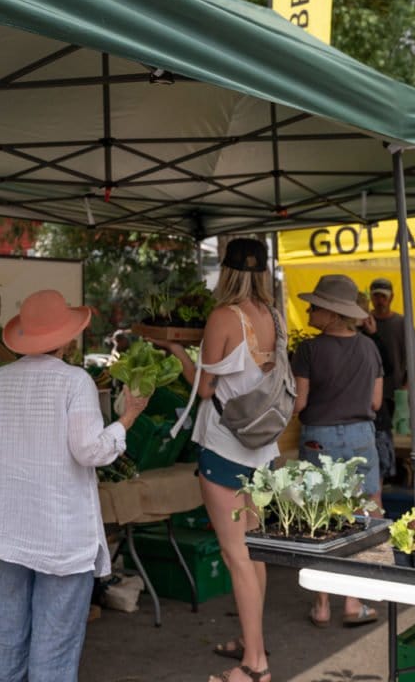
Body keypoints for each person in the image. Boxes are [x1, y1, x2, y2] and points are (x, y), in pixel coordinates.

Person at [0, 289, 150, 682]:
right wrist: (128, 418)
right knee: (53, 649)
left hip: (2, 528)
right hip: (60, 534)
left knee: (1, 643)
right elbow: (89, 451)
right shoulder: (75, 381)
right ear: (66, 338)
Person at [152, 237, 277, 682]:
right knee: (254, 552)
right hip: (261, 449)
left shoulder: (224, 316)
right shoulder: (272, 316)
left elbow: (204, 389)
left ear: (225, 270)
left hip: (224, 446)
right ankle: (252, 640)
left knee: (236, 554)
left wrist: (177, 352)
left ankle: (255, 665)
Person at [292, 274, 383, 629]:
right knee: (360, 518)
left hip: (319, 437)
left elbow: (299, 403)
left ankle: (321, 605)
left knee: (320, 517)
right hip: (361, 435)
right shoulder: (369, 348)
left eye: (314, 306)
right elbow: (375, 401)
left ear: (331, 312)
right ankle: (352, 601)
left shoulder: (308, 350)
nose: (309, 310)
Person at [357, 291, 395, 484]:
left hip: (373, 421)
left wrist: (374, 335)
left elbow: (387, 368)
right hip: (374, 420)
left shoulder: (369, 342)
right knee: (373, 488)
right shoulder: (370, 342)